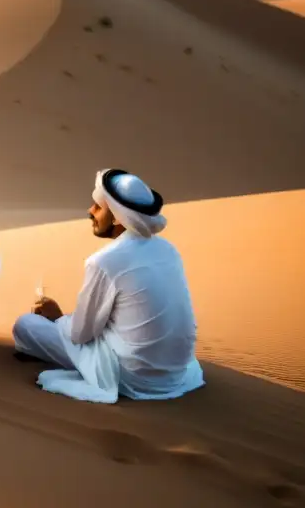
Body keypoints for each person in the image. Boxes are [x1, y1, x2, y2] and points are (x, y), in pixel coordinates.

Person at [13, 169, 204, 403]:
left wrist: (58, 318)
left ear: (116, 216)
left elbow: (81, 334)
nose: (89, 212)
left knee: (26, 325)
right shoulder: (169, 251)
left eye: (97, 207)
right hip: (175, 375)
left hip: (131, 377)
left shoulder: (105, 261)